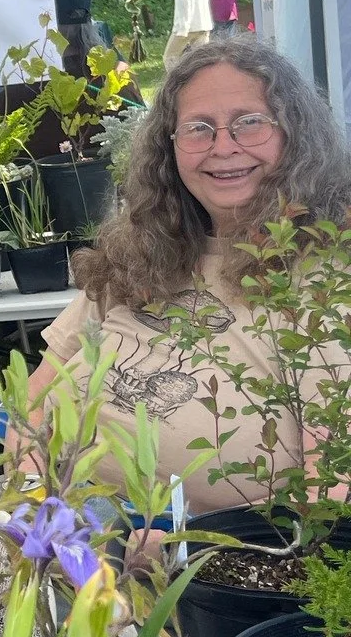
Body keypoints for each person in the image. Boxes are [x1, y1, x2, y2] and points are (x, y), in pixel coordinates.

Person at [29, 40, 351, 513]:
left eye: (250, 122)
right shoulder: (143, 250)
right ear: (170, 148)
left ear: (294, 134)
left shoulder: (326, 279)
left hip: (205, 565)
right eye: (199, 129)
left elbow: (331, 494)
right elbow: (32, 398)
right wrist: (30, 503)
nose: (224, 147)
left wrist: (171, 548)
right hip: (58, 522)